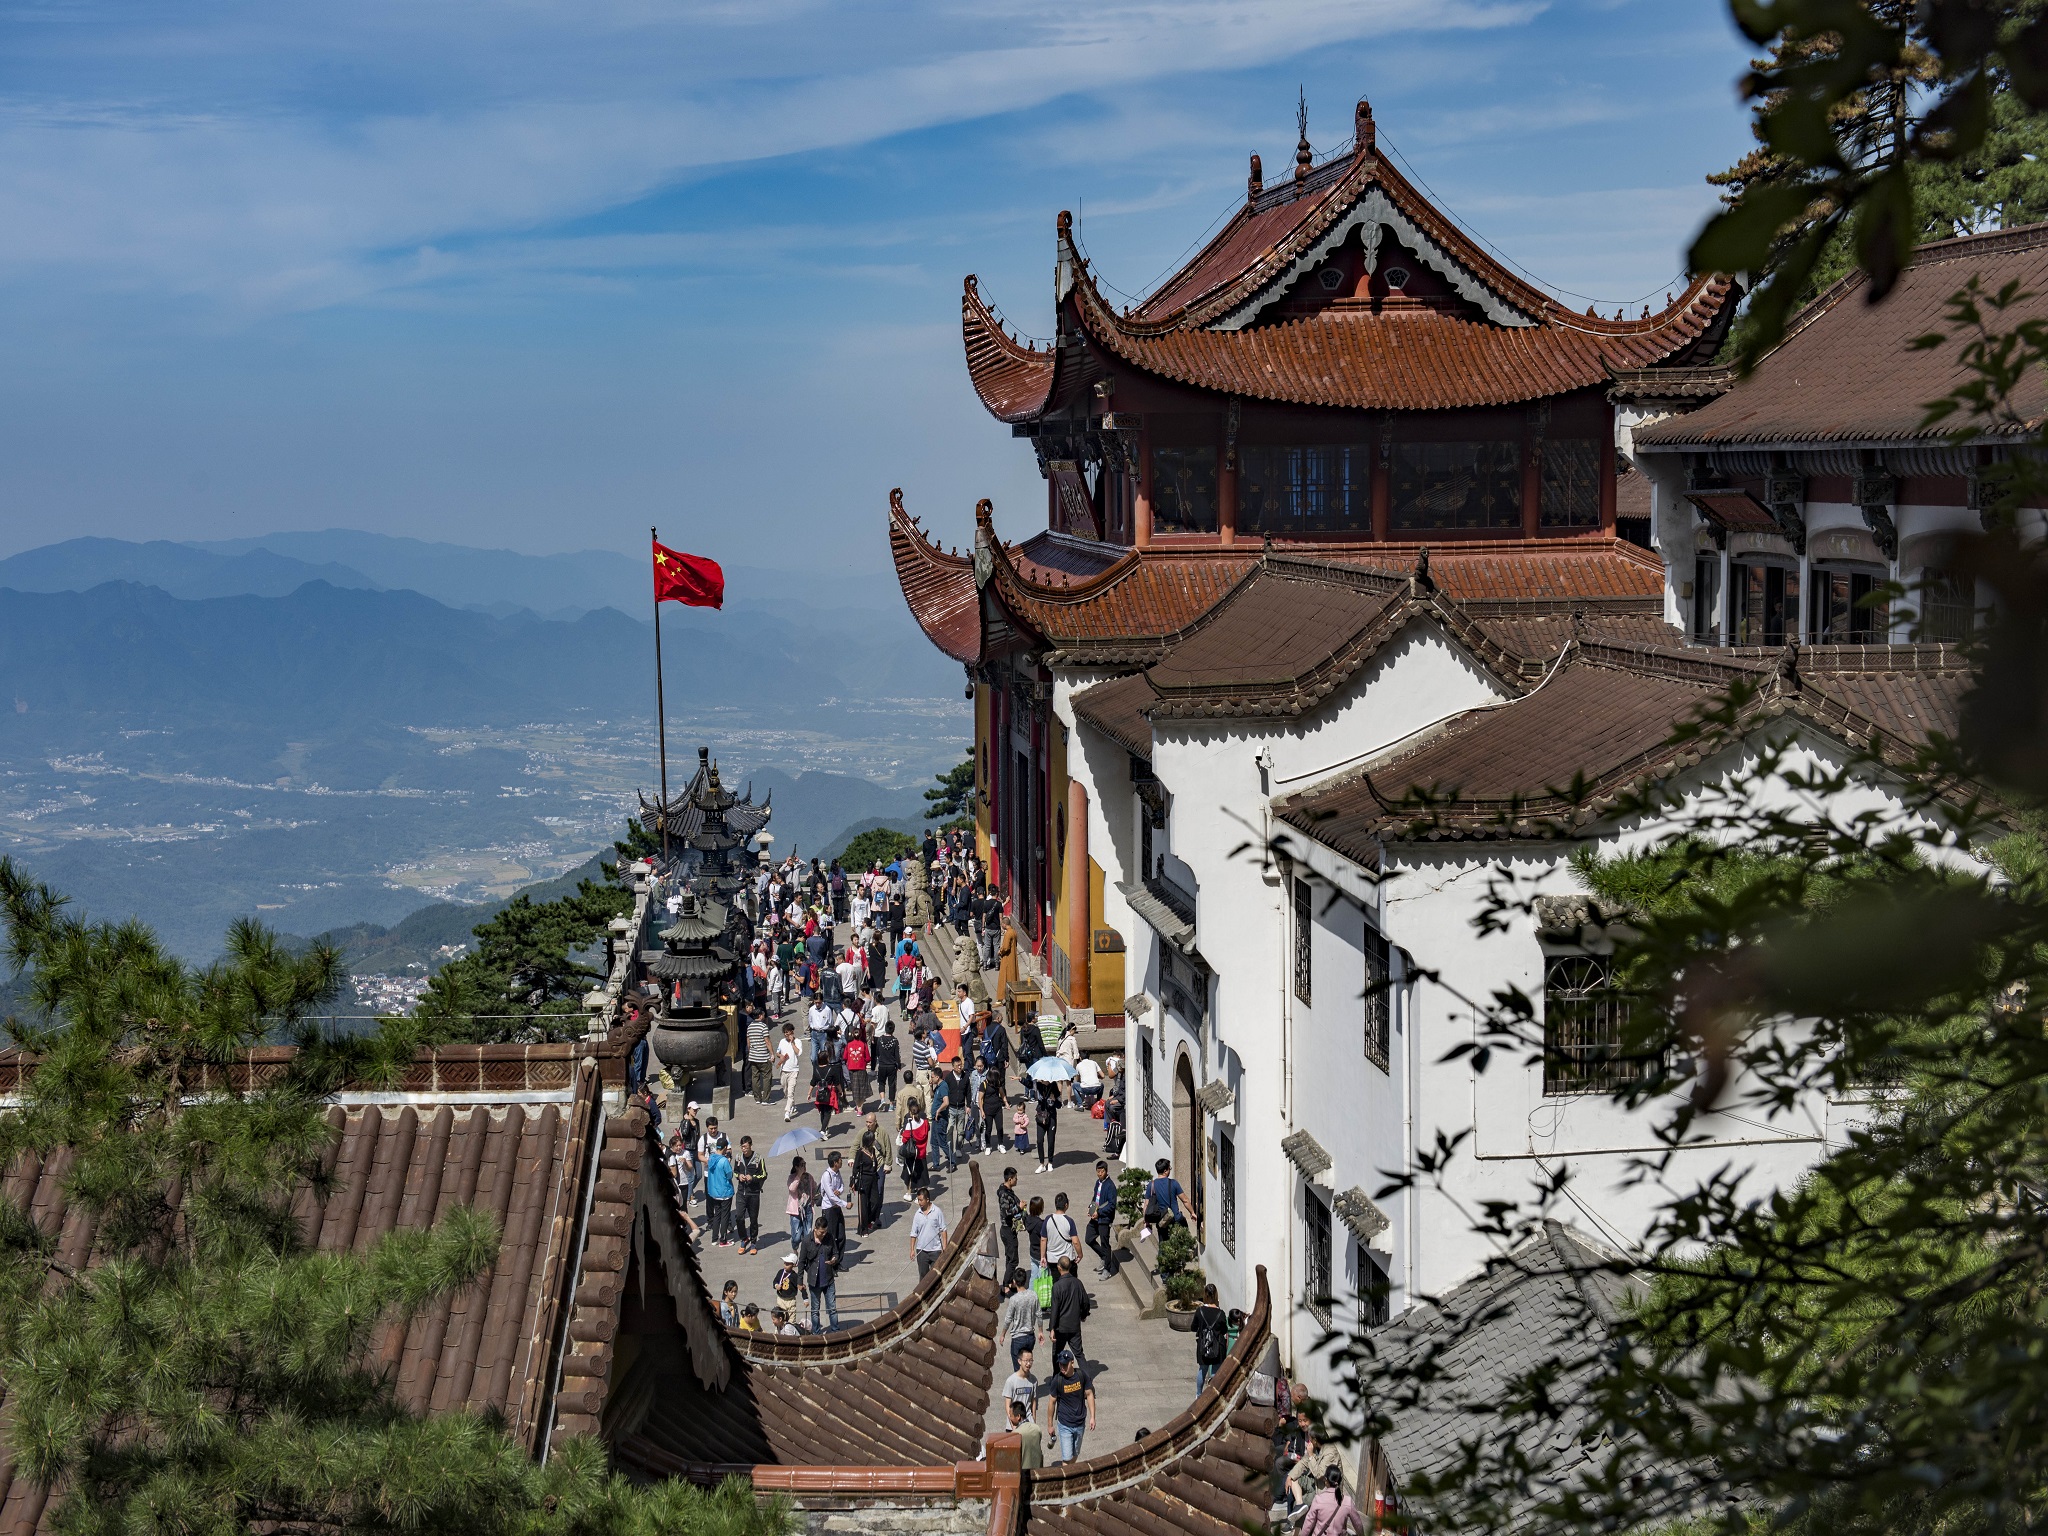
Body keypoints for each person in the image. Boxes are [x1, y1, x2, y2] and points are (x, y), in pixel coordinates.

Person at [1043, 1349, 1095, 1463]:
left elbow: (1090, 1394)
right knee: (1067, 1458)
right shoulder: (1057, 1380)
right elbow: (1051, 1402)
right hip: (1065, 1423)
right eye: (1060, 1364)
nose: (1062, 1367)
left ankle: (1070, 1474)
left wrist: (1092, 1417)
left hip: (1080, 1422)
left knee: (1075, 1454)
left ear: (1072, 1362)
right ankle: (1066, 1479)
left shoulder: (1082, 1375)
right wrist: (1050, 1425)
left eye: (1065, 1365)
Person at [798, 1217, 840, 1333]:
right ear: (815, 1229)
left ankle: (835, 1331)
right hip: (814, 1281)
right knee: (815, 1310)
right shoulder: (807, 1241)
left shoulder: (829, 1237)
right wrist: (800, 1281)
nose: (824, 1234)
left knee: (832, 1308)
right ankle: (816, 1333)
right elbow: (801, 1262)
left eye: (825, 1231)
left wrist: (834, 1259)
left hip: (829, 1280)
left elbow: (836, 1252)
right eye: (822, 1232)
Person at [1048, 1258, 1089, 1369]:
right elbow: (1085, 1302)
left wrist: (1052, 1327)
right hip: (1074, 1325)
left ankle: (1057, 1377)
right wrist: (1083, 1315)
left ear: (1059, 1267)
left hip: (1061, 1327)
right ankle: (1087, 1379)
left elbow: (1055, 1309)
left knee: (1056, 1353)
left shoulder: (1057, 1286)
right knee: (1079, 1354)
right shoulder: (1077, 1283)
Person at [1299, 1465, 1363, 1536]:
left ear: (1326, 1480)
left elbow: (1308, 1523)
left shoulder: (1318, 1499)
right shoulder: (1347, 1501)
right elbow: (1358, 1524)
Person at [999, 1265, 1039, 1368]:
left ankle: (1022, 1383)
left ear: (1014, 1282)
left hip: (1018, 1338)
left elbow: (1008, 1319)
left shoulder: (1014, 1299)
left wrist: (1003, 1334)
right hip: (1030, 1336)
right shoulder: (1033, 1295)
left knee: (1019, 1369)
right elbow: (1039, 1314)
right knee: (1027, 1364)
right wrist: (1041, 1331)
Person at [1192, 1282, 1229, 1390]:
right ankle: (1212, 1392)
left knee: (1202, 1370)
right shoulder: (1220, 1313)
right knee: (1215, 1370)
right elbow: (1224, 1330)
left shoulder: (1200, 1311)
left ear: (1205, 1295)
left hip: (1204, 1344)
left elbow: (1193, 1327)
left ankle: (1198, 1395)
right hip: (1218, 1345)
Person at [1144, 1158, 1195, 1235]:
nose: (1170, 1170)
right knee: (1182, 1243)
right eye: (1169, 1168)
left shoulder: (1151, 1185)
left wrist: (1146, 1221)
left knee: (1164, 1246)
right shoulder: (1173, 1183)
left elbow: (1146, 1205)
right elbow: (1185, 1200)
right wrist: (1192, 1212)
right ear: (1165, 1171)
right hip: (1176, 1220)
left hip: (1162, 1222)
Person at [732, 1136, 765, 1255]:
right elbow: (735, 1171)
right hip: (741, 1192)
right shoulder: (738, 1157)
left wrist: (753, 1178)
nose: (744, 1149)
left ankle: (754, 1242)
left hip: (753, 1193)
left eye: (746, 1147)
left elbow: (764, 1175)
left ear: (751, 1145)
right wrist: (739, 1176)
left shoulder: (758, 1158)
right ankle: (744, 1238)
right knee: (739, 1217)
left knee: (753, 1219)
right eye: (742, 1147)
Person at [1087, 1160, 1119, 1279]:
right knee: (1089, 1238)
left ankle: (1107, 1268)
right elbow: (1095, 1197)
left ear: (1106, 1171)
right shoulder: (1098, 1183)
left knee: (1105, 1243)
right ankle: (1104, 1257)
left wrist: (1099, 1213)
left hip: (1104, 1218)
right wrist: (1091, 1209)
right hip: (1096, 1217)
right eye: (1098, 1171)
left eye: (1102, 1171)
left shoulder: (1110, 1186)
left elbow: (1111, 1205)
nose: (1100, 1174)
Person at [852, 1122, 884, 1236]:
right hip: (864, 1180)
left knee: (875, 1201)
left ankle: (869, 1220)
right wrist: (853, 1182)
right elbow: (855, 1168)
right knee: (863, 1205)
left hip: (873, 1179)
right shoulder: (860, 1153)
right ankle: (863, 1228)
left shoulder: (873, 1151)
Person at [819, 1150, 852, 1261]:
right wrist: (845, 1204)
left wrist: (839, 1191)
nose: (841, 1161)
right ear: (835, 1163)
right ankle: (830, 1263)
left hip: (836, 1208)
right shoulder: (826, 1175)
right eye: (840, 1160)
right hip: (829, 1209)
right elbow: (831, 1196)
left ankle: (838, 1261)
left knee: (841, 1236)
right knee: (831, 1237)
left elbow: (842, 1185)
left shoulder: (837, 1173)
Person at [909, 1185, 948, 1278]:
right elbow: (913, 1233)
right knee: (923, 1276)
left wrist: (945, 1246)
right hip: (922, 1251)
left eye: (921, 1200)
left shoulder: (937, 1212)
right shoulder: (917, 1214)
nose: (919, 1202)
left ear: (927, 1200)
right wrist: (912, 1250)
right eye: (918, 1200)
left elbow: (943, 1230)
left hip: (936, 1250)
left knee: (936, 1276)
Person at [704, 1137, 735, 1247]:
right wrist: (729, 1162)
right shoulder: (724, 1161)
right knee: (725, 1215)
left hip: (714, 1192)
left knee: (717, 1215)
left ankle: (714, 1239)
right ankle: (723, 1240)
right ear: (725, 1148)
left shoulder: (711, 1158)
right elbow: (729, 1175)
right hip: (725, 1192)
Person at [997, 1166, 1024, 1283]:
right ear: (1010, 1179)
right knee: (1013, 1260)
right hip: (1007, 1229)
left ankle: (1008, 1283)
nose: (1016, 1180)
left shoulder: (1007, 1191)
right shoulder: (1004, 1194)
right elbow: (1006, 1212)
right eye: (1015, 1178)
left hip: (1010, 1229)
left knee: (1009, 1257)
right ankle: (1005, 1284)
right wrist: (1019, 1207)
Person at [786, 1155, 817, 1251]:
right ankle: (795, 1250)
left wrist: (814, 1199)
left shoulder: (809, 1176)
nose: (804, 1167)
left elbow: (814, 1187)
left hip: (807, 1209)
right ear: (796, 1167)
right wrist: (799, 1176)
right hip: (796, 1210)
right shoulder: (792, 1177)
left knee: (807, 1234)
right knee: (796, 1236)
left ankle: (805, 1254)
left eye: (805, 1164)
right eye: (802, 1165)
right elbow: (792, 1189)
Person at [1008, 1397, 1047, 1471]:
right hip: (1038, 1471)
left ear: (1018, 1416)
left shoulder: (1015, 1434)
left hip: (1023, 1473)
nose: (1009, 1418)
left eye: (1011, 1415)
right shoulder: (1037, 1428)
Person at [1002, 1347, 1038, 1421]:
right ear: (1019, 1361)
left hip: (1028, 1423)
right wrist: (1012, 1424)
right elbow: (1007, 1404)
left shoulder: (1034, 1380)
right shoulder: (1011, 1381)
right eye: (1026, 1361)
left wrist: (1033, 1419)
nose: (1028, 1364)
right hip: (1014, 1423)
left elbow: (1033, 1401)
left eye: (1031, 1361)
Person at [745, 1008, 773, 1101]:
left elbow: (748, 1042)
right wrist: (772, 1053)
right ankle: (766, 1098)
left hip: (753, 1056)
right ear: (760, 1015)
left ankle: (757, 1098)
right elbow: (767, 1041)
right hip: (763, 1057)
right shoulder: (763, 1027)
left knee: (755, 1077)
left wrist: (751, 1052)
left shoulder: (750, 1027)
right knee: (766, 1077)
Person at [873, 1023, 902, 1110]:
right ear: (893, 1029)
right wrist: (899, 1065)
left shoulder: (880, 1039)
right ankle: (891, 1104)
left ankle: (882, 1100)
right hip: (891, 1066)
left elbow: (877, 1052)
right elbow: (897, 1055)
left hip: (882, 1065)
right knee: (892, 1084)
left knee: (881, 1082)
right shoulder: (895, 1040)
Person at [777, 1024, 803, 1120]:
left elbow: (798, 1053)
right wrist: (780, 1056)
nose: (787, 1035)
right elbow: (777, 1052)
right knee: (786, 1090)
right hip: (784, 1070)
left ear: (792, 1032)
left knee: (790, 1092)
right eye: (785, 1033)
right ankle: (792, 1104)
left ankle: (787, 1113)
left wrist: (792, 1043)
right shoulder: (782, 1041)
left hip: (794, 1070)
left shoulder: (798, 1041)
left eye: (788, 1033)